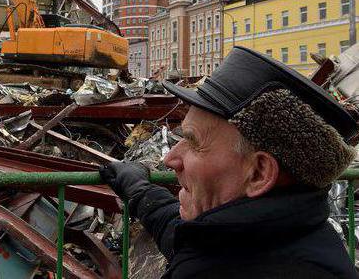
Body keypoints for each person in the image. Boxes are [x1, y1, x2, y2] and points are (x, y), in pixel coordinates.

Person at [100, 46, 359, 278]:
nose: (170, 158)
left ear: (258, 173)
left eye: (193, 142)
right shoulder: (265, 237)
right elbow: (183, 238)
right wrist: (140, 192)